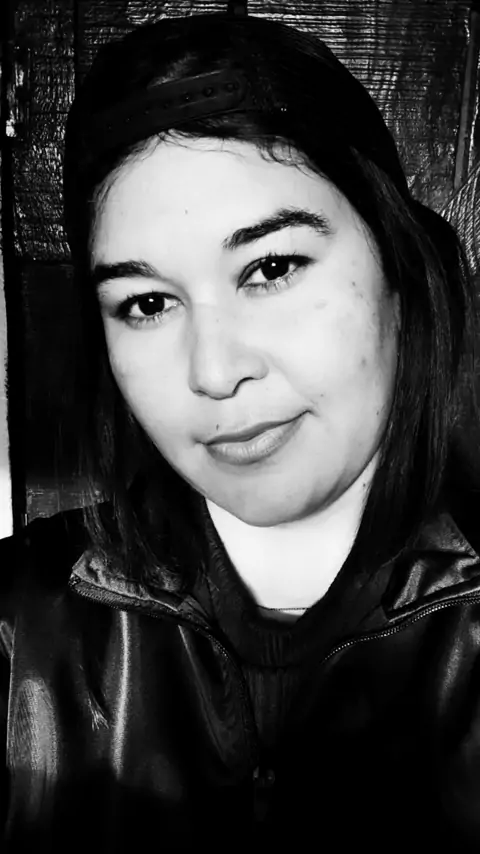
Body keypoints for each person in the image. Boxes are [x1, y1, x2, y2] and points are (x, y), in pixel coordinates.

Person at [1, 7, 480, 851]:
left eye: (272, 266)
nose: (214, 370)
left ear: (399, 273)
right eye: (147, 303)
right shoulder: (19, 635)